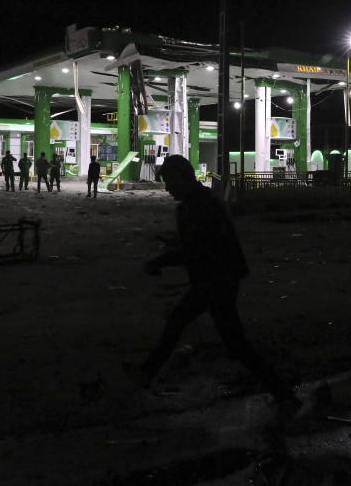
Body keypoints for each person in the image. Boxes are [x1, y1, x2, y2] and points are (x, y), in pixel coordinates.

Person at [124, 154, 301, 419]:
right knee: (230, 341)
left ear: (182, 179)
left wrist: (160, 261)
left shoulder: (196, 207)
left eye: (170, 182)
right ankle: (283, 394)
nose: (168, 188)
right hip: (220, 278)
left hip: (215, 280)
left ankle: (146, 374)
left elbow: (195, 248)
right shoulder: (202, 202)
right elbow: (197, 244)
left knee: (183, 324)